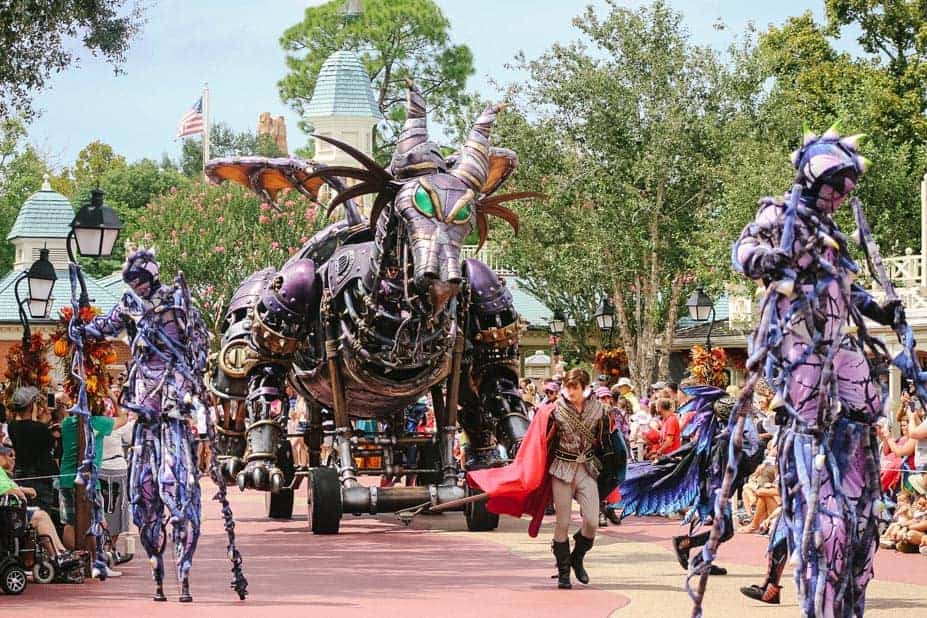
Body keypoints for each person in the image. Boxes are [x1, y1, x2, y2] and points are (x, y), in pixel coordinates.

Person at [722, 125, 893, 616]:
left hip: (837, 351)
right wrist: (766, 260)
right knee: (828, 532)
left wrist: (881, 311)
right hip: (800, 353)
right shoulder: (781, 214)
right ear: (817, 178)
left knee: (859, 527)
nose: (843, 197)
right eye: (837, 186)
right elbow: (744, 251)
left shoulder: (832, 237)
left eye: (847, 189)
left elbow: (847, 294)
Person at [468, 368, 622, 590]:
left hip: (587, 470)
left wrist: (610, 468)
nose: (570, 392)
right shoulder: (552, 412)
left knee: (590, 522)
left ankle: (577, 557)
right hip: (561, 470)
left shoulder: (600, 411)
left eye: (574, 388)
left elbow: (607, 444)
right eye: (567, 387)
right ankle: (564, 571)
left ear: (584, 388)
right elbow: (539, 442)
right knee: (563, 522)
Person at [58, 389, 126, 578]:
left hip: (66, 478)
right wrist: (113, 397)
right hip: (88, 479)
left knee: (69, 522)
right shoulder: (99, 422)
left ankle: (74, 561)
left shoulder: (67, 424)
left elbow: (66, 414)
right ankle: (97, 563)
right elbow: (123, 418)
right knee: (98, 520)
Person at [0, 444, 81, 571]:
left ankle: (59, 553)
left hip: (12, 512)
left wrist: (22, 489)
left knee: (40, 513)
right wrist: (20, 492)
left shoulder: (4, 473)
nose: (13, 459)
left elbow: (10, 488)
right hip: (7, 514)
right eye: (10, 455)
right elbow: (7, 490)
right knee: (40, 517)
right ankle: (58, 555)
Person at [6, 386, 58, 519]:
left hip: (21, 475)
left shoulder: (12, 426)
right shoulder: (40, 428)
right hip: (39, 479)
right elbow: (51, 443)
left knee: (22, 516)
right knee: (41, 517)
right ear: (31, 406)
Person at [99, 388, 135, 568]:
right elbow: (125, 421)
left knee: (112, 511)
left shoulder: (97, 424)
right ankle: (107, 548)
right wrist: (114, 399)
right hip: (109, 470)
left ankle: (110, 548)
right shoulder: (107, 423)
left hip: (111, 469)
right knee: (112, 511)